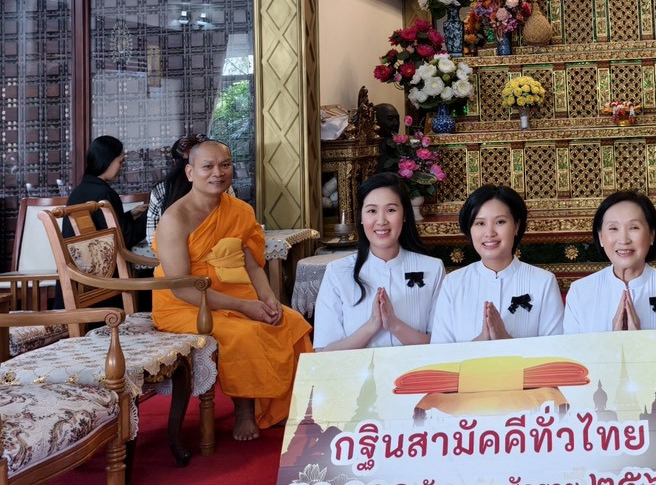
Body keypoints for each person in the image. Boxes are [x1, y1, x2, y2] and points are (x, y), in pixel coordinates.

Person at [152, 139, 312, 441]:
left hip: (235, 295)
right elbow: (180, 288)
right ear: (189, 172)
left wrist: (268, 299)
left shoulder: (239, 210)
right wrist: (244, 307)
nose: (218, 173)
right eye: (208, 166)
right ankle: (245, 411)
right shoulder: (175, 219)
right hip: (184, 306)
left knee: (291, 322)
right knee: (244, 333)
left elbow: (252, 265)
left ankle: (288, 407)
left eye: (225, 165)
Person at [563, 190, 656, 394]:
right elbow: (570, 380)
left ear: (651, 235)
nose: (623, 239)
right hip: (598, 419)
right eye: (613, 228)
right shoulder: (580, 292)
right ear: (601, 237)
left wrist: (642, 348)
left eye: (634, 228)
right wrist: (613, 347)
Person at [314, 173, 445, 350]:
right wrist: (373, 325)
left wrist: (395, 325)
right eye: (372, 211)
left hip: (415, 373)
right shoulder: (337, 272)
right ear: (361, 217)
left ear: (405, 215)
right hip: (357, 375)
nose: (381, 221)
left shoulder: (433, 268)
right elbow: (323, 351)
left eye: (391, 210)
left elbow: (443, 345)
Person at [431, 185, 563, 342]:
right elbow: (440, 354)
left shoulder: (543, 282)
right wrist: (481, 340)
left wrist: (505, 339)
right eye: (480, 223)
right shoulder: (453, 283)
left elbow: (555, 351)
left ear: (516, 226)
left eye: (500, 222)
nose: (490, 233)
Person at [65, 135, 145, 249]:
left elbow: (102, 225)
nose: (122, 167)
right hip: (103, 265)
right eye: (120, 162)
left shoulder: (78, 192)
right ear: (108, 160)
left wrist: (130, 215)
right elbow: (124, 240)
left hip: (78, 264)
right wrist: (150, 216)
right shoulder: (105, 194)